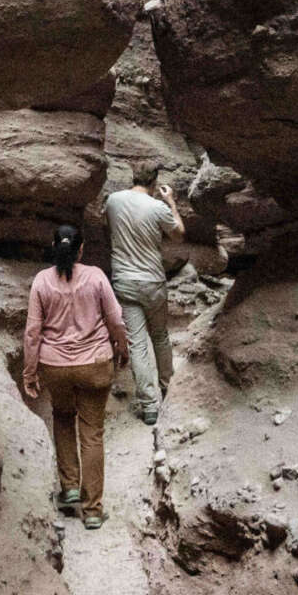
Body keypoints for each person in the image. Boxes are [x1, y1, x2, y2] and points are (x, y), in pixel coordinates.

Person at [21, 223, 129, 528]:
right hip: (94, 364)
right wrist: (122, 348)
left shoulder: (42, 281)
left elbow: (32, 332)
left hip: (55, 367)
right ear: (81, 249)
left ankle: (69, 488)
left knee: (63, 417)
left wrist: (29, 372)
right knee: (92, 433)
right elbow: (115, 318)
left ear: (55, 247)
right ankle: (93, 510)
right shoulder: (95, 276)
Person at [103, 160, 184, 423]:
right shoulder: (158, 207)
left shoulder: (113, 201)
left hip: (125, 282)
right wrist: (171, 201)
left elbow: (109, 229)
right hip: (153, 282)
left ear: (133, 176)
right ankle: (167, 388)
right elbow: (179, 234)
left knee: (137, 343)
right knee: (159, 336)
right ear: (154, 182)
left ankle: (149, 406)